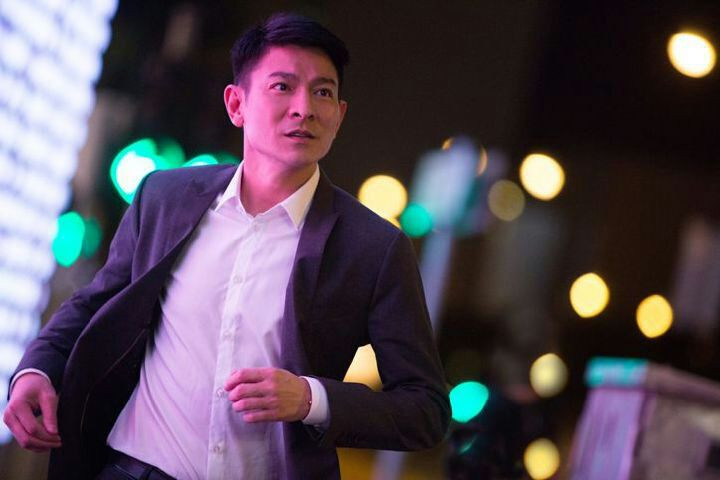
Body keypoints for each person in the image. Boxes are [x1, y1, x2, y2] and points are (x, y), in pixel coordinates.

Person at [3, 12, 450, 480]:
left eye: (322, 92)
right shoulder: (165, 198)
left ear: (339, 115)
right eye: (282, 86)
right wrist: (36, 370)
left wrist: (310, 398)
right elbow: (95, 302)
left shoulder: (374, 248)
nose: (304, 108)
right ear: (237, 105)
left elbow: (425, 409)